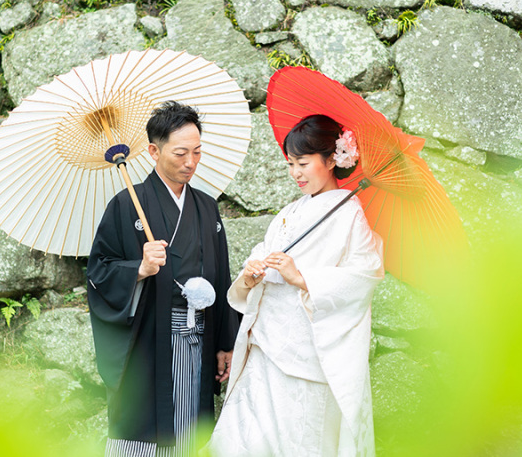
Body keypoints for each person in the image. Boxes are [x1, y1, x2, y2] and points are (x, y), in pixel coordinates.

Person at [209, 114, 385, 457]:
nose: (295, 173)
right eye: (291, 164)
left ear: (332, 159)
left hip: (307, 350)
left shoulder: (349, 213)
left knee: (299, 437)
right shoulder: (290, 212)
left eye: (303, 163)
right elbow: (263, 254)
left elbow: (365, 274)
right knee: (244, 439)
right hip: (265, 343)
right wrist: (251, 274)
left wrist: (302, 278)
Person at [87, 101, 239, 457]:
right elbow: (98, 271)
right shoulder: (127, 205)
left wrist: (224, 342)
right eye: (181, 153)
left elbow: (221, 275)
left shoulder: (206, 207)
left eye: (198, 152)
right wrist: (138, 269)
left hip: (199, 337)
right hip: (150, 337)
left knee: (188, 429)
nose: (191, 162)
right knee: (143, 430)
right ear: (154, 150)